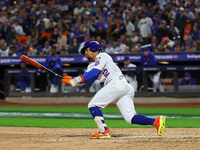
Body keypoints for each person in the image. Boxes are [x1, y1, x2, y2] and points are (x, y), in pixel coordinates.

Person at [61, 41, 165, 139]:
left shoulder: (102, 56)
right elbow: (87, 76)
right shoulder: (92, 65)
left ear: (93, 48)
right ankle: (156, 122)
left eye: (86, 50)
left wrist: (76, 80)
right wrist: (71, 79)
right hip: (123, 87)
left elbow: (93, 73)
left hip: (116, 83)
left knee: (93, 105)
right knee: (130, 118)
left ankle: (104, 131)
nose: (85, 53)